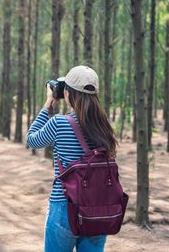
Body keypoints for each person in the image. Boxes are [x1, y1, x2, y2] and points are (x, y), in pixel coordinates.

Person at [26, 65, 118, 252]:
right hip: (98, 208)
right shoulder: (104, 124)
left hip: (64, 206)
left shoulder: (60, 122)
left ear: (67, 93)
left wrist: (48, 104)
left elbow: (31, 140)